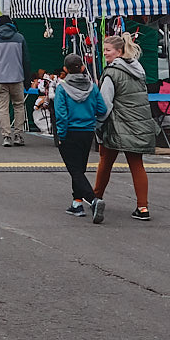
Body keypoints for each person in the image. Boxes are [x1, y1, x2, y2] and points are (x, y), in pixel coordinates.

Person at [93, 34, 157, 224]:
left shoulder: (111, 73)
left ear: (119, 52)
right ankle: (143, 207)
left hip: (117, 124)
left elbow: (105, 104)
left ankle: (96, 198)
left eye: (108, 50)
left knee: (105, 161)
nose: (105, 54)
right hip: (139, 124)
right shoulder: (139, 70)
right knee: (137, 165)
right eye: (104, 50)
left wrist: (98, 124)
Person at [50, 53, 108, 217]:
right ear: (83, 68)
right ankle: (77, 203)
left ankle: (93, 200)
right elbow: (102, 109)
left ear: (65, 69)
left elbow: (61, 115)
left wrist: (61, 136)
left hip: (70, 132)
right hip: (87, 132)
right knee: (79, 169)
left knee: (75, 170)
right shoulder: (93, 87)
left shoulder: (62, 89)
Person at [0, 16, 30, 147]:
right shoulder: (20, 38)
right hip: (17, 78)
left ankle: (6, 136)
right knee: (19, 106)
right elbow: (26, 60)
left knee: (3, 108)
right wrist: (27, 79)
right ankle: (18, 135)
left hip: (0, 79)